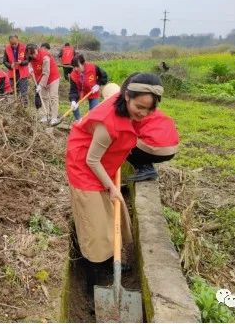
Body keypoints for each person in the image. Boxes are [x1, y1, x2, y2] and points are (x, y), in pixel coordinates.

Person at [65, 72, 163, 295]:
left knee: (114, 219)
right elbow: (91, 159)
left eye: (149, 109)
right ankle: (93, 284)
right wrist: (111, 187)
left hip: (104, 166)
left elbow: (110, 89)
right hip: (85, 168)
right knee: (95, 231)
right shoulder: (108, 124)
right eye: (140, 106)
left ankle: (112, 264)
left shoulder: (126, 105)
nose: (143, 113)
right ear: (127, 97)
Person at [125, 107, 179, 181]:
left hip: (154, 148)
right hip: (171, 151)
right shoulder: (154, 110)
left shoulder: (135, 112)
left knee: (124, 143)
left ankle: (144, 168)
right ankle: (147, 166)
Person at [26, 44, 61, 125]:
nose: (35, 55)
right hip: (40, 78)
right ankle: (45, 116)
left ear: (37, 49)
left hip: (52, 77)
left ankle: (54, 118)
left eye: (35, 53)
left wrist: (40, 85)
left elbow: (46, 72)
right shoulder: (30, 58)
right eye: (32, 54)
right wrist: (29, 68)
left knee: (53, 97)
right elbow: (29, 66)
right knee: (44, 97)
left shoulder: (45, 57)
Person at [69, 54, 108, 120]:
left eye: (77, 66)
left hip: (92, 91)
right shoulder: (73, 75)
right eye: (74, 67)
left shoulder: (93, 67)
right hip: (80, 92)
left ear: (83, 63)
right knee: (74, 107)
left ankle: (90, 123)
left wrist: (98, 84)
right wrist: (73, 101)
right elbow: (73, 90)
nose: (75, 69)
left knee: (94, 112)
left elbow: (103, 76)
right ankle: (79, 121)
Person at [2, 35, 30, 103]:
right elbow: (4, 61)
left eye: (15, 44)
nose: (14, 45)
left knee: (23, 91)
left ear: (18, 40)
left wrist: (21, 62)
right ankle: (16, 104)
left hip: (22, 73)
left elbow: (27, 60)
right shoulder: (7, 48)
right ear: (9, 42)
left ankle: (24, 107)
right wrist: (10, 65)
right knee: (14, 90)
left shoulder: (24, 47)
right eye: (12, 44)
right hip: (12, 73)